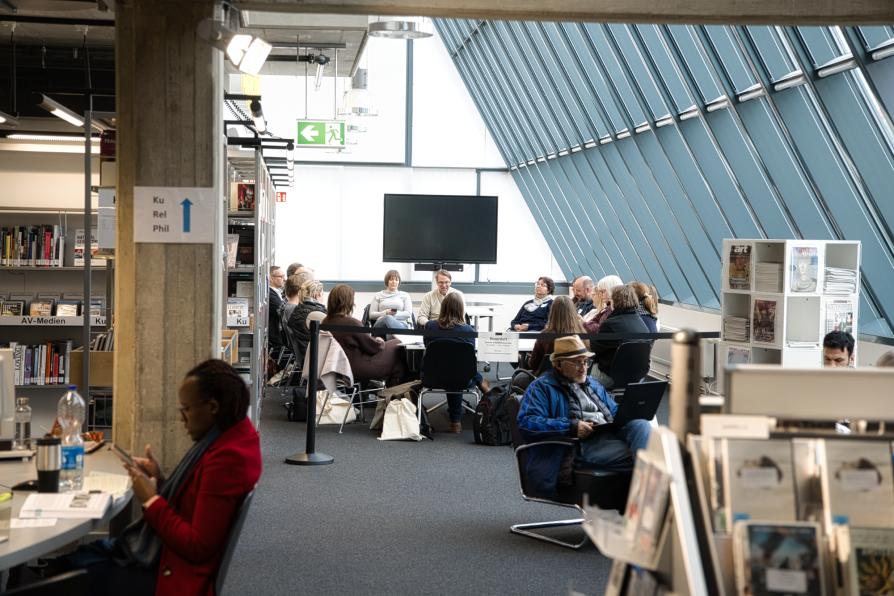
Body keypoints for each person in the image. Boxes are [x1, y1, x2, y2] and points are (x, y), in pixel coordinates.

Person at [57, 359, 261, 596]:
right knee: (74, 561)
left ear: (212, 407)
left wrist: (152, 501)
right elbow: (197, 501)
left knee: (64, 574)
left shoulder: (228, 459)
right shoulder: (232, 436)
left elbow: (197, 547)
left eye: (186, 409)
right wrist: (161, 480)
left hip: (174, 575)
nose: (183, 418)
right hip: (167, 559)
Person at [517, 336, 651, 497]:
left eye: (586, 361)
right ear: (558, 364)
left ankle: (642, 496)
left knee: (640, 424)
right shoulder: (541, 387)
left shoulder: (592, 383)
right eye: (576, 362)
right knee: (647, 458)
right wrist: (571, 427)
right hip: (577, 445)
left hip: (606, 435)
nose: (583, 367)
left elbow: (613, 411)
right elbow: (527, 422)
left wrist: (629, 412)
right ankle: (646, 499)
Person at [423, 292, 490, 432]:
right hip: (462, 378)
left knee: (451, 366)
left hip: (433, 376)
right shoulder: (468, 330)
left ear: (443, 307)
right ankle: (456, 422)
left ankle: (421, 415)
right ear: (461, 309)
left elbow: (427, 346)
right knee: (459, 368)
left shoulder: (430, 326)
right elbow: (471, 355)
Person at [324, 284, 407, 385]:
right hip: (357, 367)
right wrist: (380, 341)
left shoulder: (325, 322)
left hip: (337, 368)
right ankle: (394, 396)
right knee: (397, 343)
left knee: (397, 366)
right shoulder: (351, 323)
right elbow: (374, 348)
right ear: (348, 302)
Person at [590, 284, 650, 389]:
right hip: (637, 378)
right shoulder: (641, 322)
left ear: (615, 301)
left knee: (580, 372)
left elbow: (593, 349)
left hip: (610, 377)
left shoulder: (611, 324)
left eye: (611, 299)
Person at [527, 295, 588, 374]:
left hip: (549, 381)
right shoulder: (583, 333)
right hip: (577, 379)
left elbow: (533, 365)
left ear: (553, 312)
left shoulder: (545, 335)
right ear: (573, 311)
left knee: (519, 378)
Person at [283, 279, 326, 364]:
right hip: (314, 361)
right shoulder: (316, 315)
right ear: (318, 295)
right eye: (322, 295)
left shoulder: (298, 310)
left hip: (304, 357)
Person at [268, 266, 286, 351]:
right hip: (275, 339)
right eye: (281, 276)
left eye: (284, 276)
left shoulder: (277, 291)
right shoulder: (270, 294)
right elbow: (282, 311)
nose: (284, 279)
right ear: (271, 278)